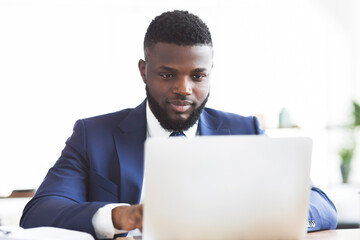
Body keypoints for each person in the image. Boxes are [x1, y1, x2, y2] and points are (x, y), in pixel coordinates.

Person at [20, 10, 337, 239]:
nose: (184, 88)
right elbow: (39, 212)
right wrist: (120, 216)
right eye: (167, 74)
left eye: (197, 76)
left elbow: (321, 205)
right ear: (144, 71)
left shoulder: (246, 130)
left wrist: (270, 218)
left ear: (210, 71)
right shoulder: (93, 135)